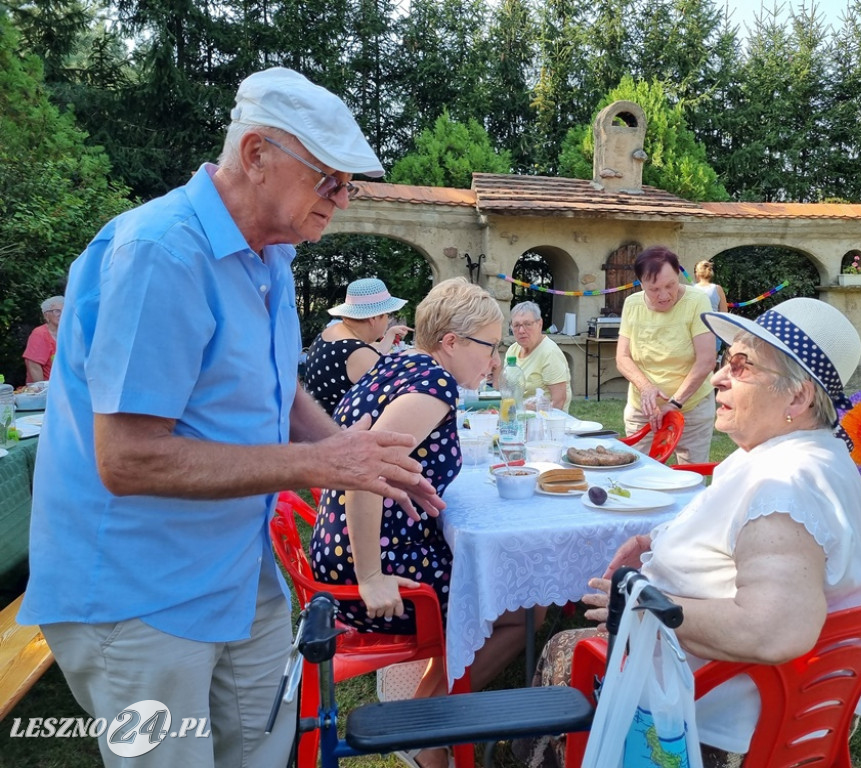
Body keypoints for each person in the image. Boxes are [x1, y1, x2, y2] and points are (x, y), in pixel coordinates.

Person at [18, 67, 444, 768]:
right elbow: (128, 458)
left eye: (349, 184)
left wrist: (356, 459)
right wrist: (319, 463)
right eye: (329, 180)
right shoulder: (161, 253)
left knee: (263, 751)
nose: (342, 199)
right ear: (255, 155)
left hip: (235, 571)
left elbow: (278, 391)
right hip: (138, 593)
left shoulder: (270, 254)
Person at [519, 297, 861, 768]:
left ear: (797, 397)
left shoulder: (785, 484)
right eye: (726, 360)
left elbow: (774, 631)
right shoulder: (801, 455)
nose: (717, 377)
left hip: (712, 719)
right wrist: (655, 542)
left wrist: (644, 604)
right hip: (749, 696)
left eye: (742, 365)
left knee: (566, 650)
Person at [312, 277, 543, 768]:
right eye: (489, 345)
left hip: (344, 546)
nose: (494, 359)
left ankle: (426, 716)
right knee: (524, 604)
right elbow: (364, 475)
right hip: (366, 563)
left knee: (495, 580)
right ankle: (422, 727)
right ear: (451, 342)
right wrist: (370, 576)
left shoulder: (398, 362)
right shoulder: (433, 385)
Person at [615, 245, 717, 464]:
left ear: (678, 275)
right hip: (644, 409)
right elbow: (622, 358)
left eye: (670, 285)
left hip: (692, 406)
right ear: (641, 283)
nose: (664, 295)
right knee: (637, 472)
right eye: (654, 289)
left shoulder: (697, 301)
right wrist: (646, 388)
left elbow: (707, 359)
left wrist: (675, 403)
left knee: (690, 476)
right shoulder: (632, 304)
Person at [303, 277, 412, 415]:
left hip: (315, 421)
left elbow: (374, 353)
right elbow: (397, 396)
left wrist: (390, 335)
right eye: (387, 315)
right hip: (336, 426)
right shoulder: (357, 353)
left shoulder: (333, 333)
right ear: (373, 318)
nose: (388, 320)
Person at [507, 301, 573, 411]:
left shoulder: (549, 353)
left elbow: (558, 401)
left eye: (527, 324)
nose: (521, 330)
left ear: (539, 324)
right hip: (517, 415)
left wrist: (532, 409)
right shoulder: (512, 350)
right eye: (516, 325)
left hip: (543, 419)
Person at [22, 295, 63, 382]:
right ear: (46, 315)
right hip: (48, 386)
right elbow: (34, 365)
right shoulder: (40, 334)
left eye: (65, 310)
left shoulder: (69, 333)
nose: (61, 314)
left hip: (66, 386)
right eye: (57, 311)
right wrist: (41, 387)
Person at [693, 260, 729, 352]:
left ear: (697, 274)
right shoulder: (718, 289)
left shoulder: (692, 290)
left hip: (695, 331)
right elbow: (724, 314)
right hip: (713, 329)